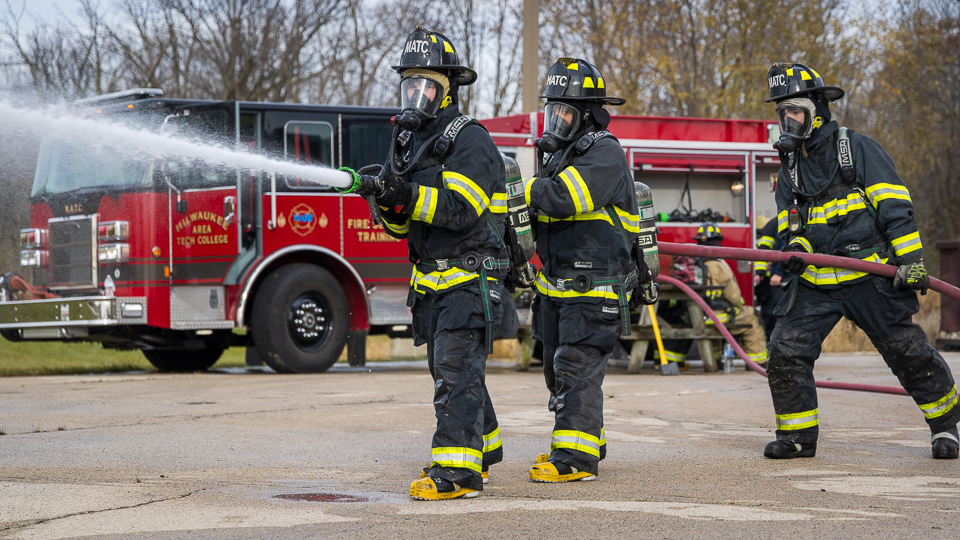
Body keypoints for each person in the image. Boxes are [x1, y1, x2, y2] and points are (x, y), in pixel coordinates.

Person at [340, 26, 518, 499]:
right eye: (409, 84)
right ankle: (482, 448)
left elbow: (460, 211)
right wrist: (382, 199)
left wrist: (403, 193)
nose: (417, 94)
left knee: (456, 373)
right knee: (450, 371)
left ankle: (458, 473)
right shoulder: (405, 141)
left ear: (447, 91)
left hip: (471, 278)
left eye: (427, 85)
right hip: (431, 283)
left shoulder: (471, 140)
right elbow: (403, 229)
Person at [763, 62, 958, 460]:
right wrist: (796, 247)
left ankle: (946, 429)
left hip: (869, 275)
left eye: (795, 111)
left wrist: (910, 260)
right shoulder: (790, 167)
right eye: (782, 113)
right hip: (817, 282)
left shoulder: (857, 149)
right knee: (785, 351)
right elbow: (789, 221)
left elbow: (894, 206)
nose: (788, 121)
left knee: (908, 352)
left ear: (817, 109)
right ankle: (798, 437)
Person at [524, 58, 641, 483]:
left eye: (566, 113)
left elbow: (561, 199)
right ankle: (587, 437)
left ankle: (575, 459)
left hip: (596, 288)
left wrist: (525, 188)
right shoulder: (559, 156)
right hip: (558, 288)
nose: (557, 120)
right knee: (557, 371)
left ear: (589, 115)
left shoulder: (604, 152)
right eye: (553, 111)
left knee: (575, 367)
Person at [659, 222, 769, 367]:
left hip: (694, 315)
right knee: (752, 315)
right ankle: (758, 362)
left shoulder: (691, 264)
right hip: (718, 316)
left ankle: (715, 360)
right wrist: (738, 304)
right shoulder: (718, 265)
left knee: (717, 320)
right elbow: (734, 297)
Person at [753, 215, 787, 339]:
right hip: (771, 280)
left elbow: (784, 250)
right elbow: (764, 251)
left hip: (776, 280)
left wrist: (777, 272)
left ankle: (771, 343)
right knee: (771, 314)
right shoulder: (775, 224)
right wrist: (760, 272)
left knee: (772, 314)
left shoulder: (773, 225)